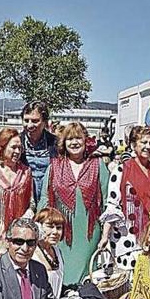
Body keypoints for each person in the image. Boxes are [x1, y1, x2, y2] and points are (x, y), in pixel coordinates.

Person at [38, 121, 110, 287]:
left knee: (86, 277)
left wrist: (105, 234)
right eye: (70, 139)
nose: (74, 142)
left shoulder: (98, 165)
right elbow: (45, 200)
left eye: (78, 138)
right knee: (60, 273)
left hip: (89, 233)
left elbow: (108, 202)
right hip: (60, 231)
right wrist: (44, 229)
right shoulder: (54, 166)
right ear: (63, 143)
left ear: (86, 141)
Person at [100, 126, 150, 273]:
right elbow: (112, 205)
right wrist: (105, 236)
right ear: (133, 145)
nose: (148, 147)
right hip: (127, 238)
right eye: (143, 142)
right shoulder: (122, 170)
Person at [0, 127, 33, 230]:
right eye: (13, 147)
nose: (17, 151)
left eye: (20, 148)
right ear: (2, 147)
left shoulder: (26, 172)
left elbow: (31, 204)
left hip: (19, 234)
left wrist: (23, 222)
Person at [20, 101, 57, 198]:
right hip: (23, 198)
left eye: (35, 121)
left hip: (49, 199)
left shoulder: (56, 143)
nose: (29, 125)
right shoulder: (16, 143)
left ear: (45, 122)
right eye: (26, 120)